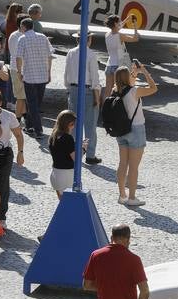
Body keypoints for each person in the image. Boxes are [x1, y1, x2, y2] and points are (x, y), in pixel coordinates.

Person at [83, 224, 149, 299]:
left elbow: (86, 285)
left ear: (111, 238)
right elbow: (144, 291)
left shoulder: (96, 255)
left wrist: (105, 287)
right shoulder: (134, 260)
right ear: (128, 239)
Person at [112, 64, 157, 207]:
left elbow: (128, 83)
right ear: (127, 78)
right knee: (133, 167)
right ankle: (132, 197)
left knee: (122, 164)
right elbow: (154, 88)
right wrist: (144, 72)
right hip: (136, 129)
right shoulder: (135, 91)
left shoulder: (115, 91)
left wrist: (134, 73)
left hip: (121, 129)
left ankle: (122, 195)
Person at [0, 88, 23, 233]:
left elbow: (19, 135)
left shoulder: (9, 116)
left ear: (0, 103)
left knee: (3, 185)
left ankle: (1, 217)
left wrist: (20, 152)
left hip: (5, 153)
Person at [64, 31, 101, 164]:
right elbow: (95, 78)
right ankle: (90, 155)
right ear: (89, 40)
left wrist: (68, 88)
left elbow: (66, 72)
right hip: (87, 90)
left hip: (73, 89)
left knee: (72, 124)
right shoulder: (91, 54)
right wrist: (97, 96)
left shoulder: (71, 52)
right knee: (90, 125)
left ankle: (71, 152)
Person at [16, 17, 53, 138]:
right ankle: (29, 126)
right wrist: (49, 72)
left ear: (23, 27)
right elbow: (49, 56)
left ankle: (38, 130)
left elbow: (18, 57)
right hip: (42, 75)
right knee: (36, 103)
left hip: (30, 75)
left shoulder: (22, 39)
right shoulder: (43, 37)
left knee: (32, 104)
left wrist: (19, 72)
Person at [105, 13, 139, 98]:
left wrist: (126, 19)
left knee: (108, 90)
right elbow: (135, 38)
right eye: (119, 22)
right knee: (119, 90)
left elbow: (117, 28)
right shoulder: (120, 36)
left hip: (109, 65)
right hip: (119, 66)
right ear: (116, 24)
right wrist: (134, 25)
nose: (120, 23)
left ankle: (104, 108)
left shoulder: (107, 35)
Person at [48, 109, 79, 198]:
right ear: (70, 124)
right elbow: (75, 158)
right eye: (73, 125)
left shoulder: (53, 136)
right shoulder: (68, 138)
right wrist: (83, 149)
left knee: (62, 203)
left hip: (56, 173)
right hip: (66, 175)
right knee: (69, 204)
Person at [8, 14, 27, 121]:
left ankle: (25, 116)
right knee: (20, 97)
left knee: (22, 96)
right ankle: (17, 119)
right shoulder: (17, 36)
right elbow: (18, 55)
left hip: (19, 68)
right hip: (18, 69)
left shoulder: (17, 35)